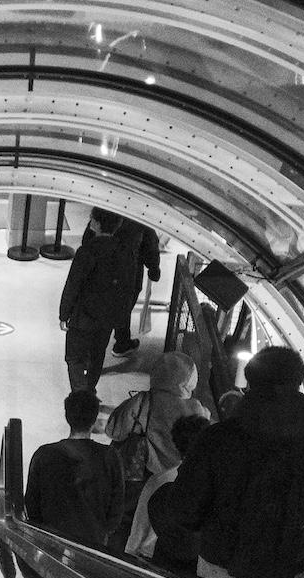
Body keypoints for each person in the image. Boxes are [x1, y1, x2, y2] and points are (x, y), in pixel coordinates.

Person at [152, 346, 304, 578]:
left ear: (250, 383)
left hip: (218, 568)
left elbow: (184, 511)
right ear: (299, 382)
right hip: (287, 575)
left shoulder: (216, 439)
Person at [103, 349, 210, 550]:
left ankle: (115, 558)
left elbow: (114, 430)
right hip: (175, 482)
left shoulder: (143, 401)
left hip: (139, 479)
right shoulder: (197, 409)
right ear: (187, 381)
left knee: (125, 524)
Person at [59, 212, 147, 390]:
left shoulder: (87, 251)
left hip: (83, 317)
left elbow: (73, 285)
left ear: (97, 224)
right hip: (107, 318)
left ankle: (79, 394)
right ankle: (89, 390)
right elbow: (129, 287)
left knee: (75, 357)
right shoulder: (126, 253)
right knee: (97, 355)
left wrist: (64, 314)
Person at [25, 389, 122, 548]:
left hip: (51, 543)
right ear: (94, 418)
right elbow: (116, 511)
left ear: (67, 416)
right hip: (93, 544)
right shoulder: (110, 456)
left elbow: (32, 504)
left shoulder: (43, 454)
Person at [126, 412, 212, 574]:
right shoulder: (210, 486)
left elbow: (139, 529)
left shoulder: (159, 481)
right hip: (195, 570)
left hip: (153, 563)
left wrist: (129, 561)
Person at [113, 223, 162, 356]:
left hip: (105, 268)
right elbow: (150, 245)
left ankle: (94, 348)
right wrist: (154, 269)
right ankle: (122, 343)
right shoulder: (141, 217)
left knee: (105, 304)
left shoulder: (109, 209)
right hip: (130, 271)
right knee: (124, 306)